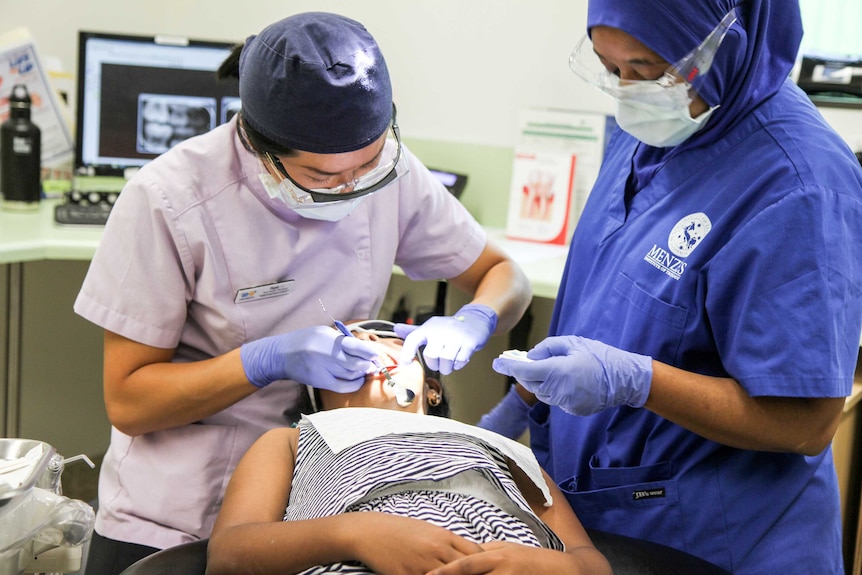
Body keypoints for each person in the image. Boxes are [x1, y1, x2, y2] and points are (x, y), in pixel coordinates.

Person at [73, 12, 531, 575]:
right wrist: (264, 361)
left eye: (367, 166)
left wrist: (478, 318)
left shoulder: (388, 169)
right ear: (258, 144)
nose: (351, 187)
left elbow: (505, 274)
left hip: (319, 511)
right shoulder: (169, 200)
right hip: (176, 515)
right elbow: (129, 401)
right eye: (320, 177)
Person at [486, 1, 862, 574]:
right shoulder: (656, 125)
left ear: (725, 45)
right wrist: (519, 404)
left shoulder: (798, 185)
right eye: (611, 69)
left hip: (721, 542)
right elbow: (608, 302)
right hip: (606, 522)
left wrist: (637, 381)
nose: (627, 91)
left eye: (645, 69)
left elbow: (806, 421)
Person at [206, 320, 612, 575]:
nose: (364, 339)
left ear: (432, 390)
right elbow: (228, 554)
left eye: (382, 335)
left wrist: (553, 567)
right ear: (317, 400)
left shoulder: (499, 449)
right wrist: (356, 534)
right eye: (342, 345)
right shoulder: (295, 440)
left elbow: (588, 561)